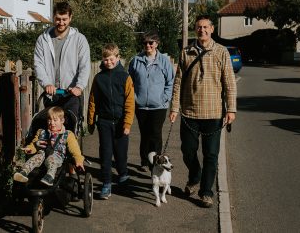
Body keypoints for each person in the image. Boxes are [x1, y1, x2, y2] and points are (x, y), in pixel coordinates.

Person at [169, 15, 237, 208]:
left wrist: (231, 109)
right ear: (195, 29)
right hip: (189, 113)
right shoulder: (186, 52)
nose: (202, 30)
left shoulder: (222, 52)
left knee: (211, 155)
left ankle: (206, 192)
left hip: (214, 113)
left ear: (212, 29)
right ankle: (194, 174)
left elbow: (230, 83)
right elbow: (178, 83)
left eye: (206, 27)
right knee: (187, 151)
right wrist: (174, 107)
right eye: (199, 27)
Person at [87, 43, 135, 200]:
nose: (108, 62)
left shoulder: (125, 77)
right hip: (105, 122)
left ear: (118, 58)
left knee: (121, 154)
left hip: (121, 122)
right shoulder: (99, 78)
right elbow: (93, 100)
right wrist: (91, 121)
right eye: (105, 59)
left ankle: (123, 175)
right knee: (106, 153)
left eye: (111, 59)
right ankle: (106, 183)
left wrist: (127, 123)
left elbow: (129, 102)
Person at [34, 1, 91, 120]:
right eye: (58, 19)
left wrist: (79, 86)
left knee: (70, 128)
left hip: (71, 94)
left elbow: (85, 65)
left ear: (70, 18)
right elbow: (38, 64)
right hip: (51, 94)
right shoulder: (43, 39)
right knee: (51, 129)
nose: (61, 23)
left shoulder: (80, 40)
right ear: (53, 17)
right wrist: (46, 83)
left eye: (64, 19)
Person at [127, 31, 175, 171]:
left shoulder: (164, 61)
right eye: (145, 43)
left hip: (158, 106)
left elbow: (170, 82)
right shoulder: (136, 60)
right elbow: (129, 81)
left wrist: (164, 98)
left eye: (151, 43)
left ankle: (156, 161)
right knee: (144, 133)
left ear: (156, 44)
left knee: (155, 133)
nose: (148, 45)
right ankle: (144, 159)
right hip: (140, 105)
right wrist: (134, 98)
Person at [13, 106, 84, 186]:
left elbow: (75, 150)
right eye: (49, 119)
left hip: (57, 156)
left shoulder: (67, 134)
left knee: (51, 160)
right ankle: (23, 172)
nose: (52, 123)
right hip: (42, 154)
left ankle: (49, 176)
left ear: (62, 121)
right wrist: (29, 148)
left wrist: (78, 160)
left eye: (55, 120)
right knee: (34, 159)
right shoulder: (41, 132)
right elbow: (33, 144)